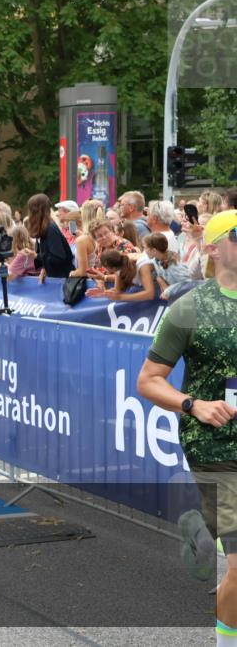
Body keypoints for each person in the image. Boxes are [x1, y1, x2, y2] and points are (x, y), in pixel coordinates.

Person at [137, 210, 237, 647]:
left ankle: (213, 536)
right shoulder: (189, 308)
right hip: (216, 445)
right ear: (212, 248)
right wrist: (194, 405)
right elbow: (148, 380)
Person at [22, 193, 75, 281]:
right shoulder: (45, 228)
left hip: (62, 280)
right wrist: (44, 267)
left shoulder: (50, 229)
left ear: (36, 211)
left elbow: (59, 258)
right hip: (57, 278)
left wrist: (36, 255)